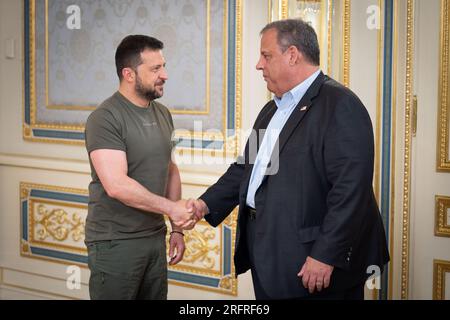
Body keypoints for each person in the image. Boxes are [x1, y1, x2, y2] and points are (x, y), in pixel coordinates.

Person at [189, 19, 390, 300]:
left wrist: (325, 255)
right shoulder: (271, 109)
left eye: (266, 55)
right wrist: (203, 205)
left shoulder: (340, 104)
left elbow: (350, 190)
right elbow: (246, 169)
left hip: (313, 259)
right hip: (269, 250)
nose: (259, 64)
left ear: (292, 55)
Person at [84, 35, 196, 300]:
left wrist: (176, 228)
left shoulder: (163, 113)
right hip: (115, 243)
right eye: (155, 69)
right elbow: (116, 185)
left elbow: (170, 170)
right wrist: (172, 209)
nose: (165, 75)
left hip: (155, 238)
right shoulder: (105, 118)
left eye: (163, 66)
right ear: (129, 74)